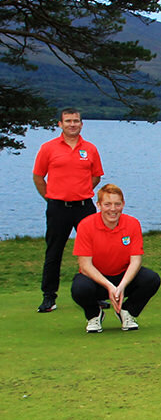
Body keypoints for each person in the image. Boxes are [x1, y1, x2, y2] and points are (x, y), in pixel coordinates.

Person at [32, 107, 104, 312]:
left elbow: (96, 176)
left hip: (84, 207)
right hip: (58, 208)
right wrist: (50, 197)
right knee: (54, 252)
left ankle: (97, 294)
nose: (72, 124)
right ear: (60, 124)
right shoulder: (48, 148)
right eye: (68, 121)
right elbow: (38, 177)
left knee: (94, 252)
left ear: (81, 124)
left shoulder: (90, 148)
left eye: (76, 121)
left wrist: (81, 191)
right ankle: (49, 297)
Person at [70, 183, 161, 332]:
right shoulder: (85, 225)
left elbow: (136, 260)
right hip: (96, 280)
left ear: (123, 204)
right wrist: (109, 286)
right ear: (98, 205)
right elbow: (85, 265)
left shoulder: (132, 223)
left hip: (122, 277)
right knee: (80, 289)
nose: (113, 209)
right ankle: (94, 315)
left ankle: (127, 312)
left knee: (151, 279)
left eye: (117, 204)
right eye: (107, 204)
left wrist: (122, 286)